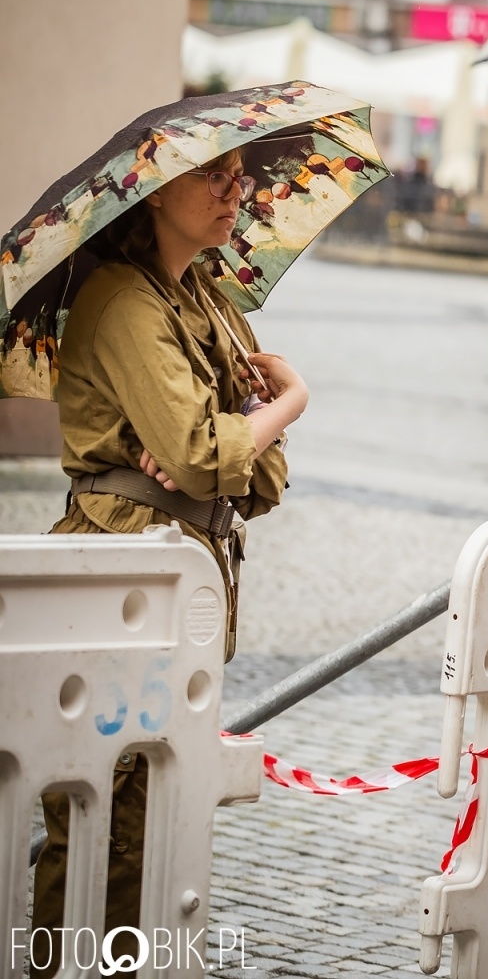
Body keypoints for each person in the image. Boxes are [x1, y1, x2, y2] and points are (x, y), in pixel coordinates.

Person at [31, 149, 305, 975]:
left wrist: (229, 444)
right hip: (120, 577)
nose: (237, 191)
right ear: (153, 197)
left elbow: (262, 474)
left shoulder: (206, 299)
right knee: (100, 818)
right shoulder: (118, 300)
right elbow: (203, 453)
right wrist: (288, 401)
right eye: (213, 175)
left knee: (151, 815)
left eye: (242, 174)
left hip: (180, 574)